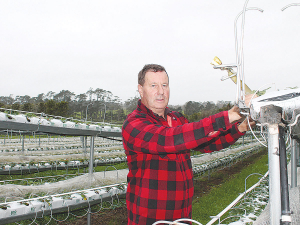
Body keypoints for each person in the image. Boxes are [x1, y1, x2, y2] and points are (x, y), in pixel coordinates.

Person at [122, 64, 255, 225]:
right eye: (153, 86)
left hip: (182, 216)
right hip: (151, 218)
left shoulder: (177, 118)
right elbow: (168, 139)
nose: (161, 91)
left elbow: (208, 142)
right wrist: (229, 116)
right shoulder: (134, 123)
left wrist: (241, 127)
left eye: (164, 85)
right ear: (141, 89)